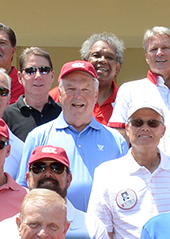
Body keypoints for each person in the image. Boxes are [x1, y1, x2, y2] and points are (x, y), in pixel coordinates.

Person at [86, 99, 170, 239]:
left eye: (152, 123)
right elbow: (101, 231)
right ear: (127, 128)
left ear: (163, 130)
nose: (145, 128)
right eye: (138, 122)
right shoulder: (107, 172)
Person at [27, 59, 129, 220]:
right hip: (50, 233)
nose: (78, 96)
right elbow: (24, 188)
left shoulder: (117, 141)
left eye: (85, 89)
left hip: (102, 234)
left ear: (96, 94)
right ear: (59, 94)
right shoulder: (38, 137)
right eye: (71, 89)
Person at [110, 25, 170, 133]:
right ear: (146, 58)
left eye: (165, 48)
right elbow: (119, 133)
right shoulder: (129, 90)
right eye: (153, 49)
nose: (159, 53)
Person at [4, 46, 61, 139]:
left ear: (52, 76)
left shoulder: (64, 114)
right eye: (31, 71)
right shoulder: (7, 116)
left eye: (44, 70)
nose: (38, 76)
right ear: (20, 77)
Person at [80, 32, 125, 125]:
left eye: (109, 57)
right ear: (85, 63)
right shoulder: (63, 94)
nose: (102, 60)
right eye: (96, 55)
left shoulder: (125, 100)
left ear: (117, 68)